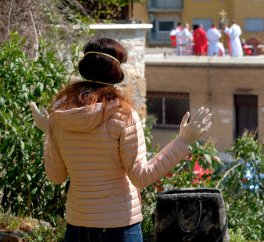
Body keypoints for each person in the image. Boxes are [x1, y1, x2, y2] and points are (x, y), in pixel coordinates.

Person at [29, 38, 212, 242]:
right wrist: (183, 141)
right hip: (120, 227)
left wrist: (50, 132)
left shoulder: (59, 115)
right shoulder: (123, 114)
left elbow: (56, 176)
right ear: (117, 73)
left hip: (77, 226)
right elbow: (141, 177)